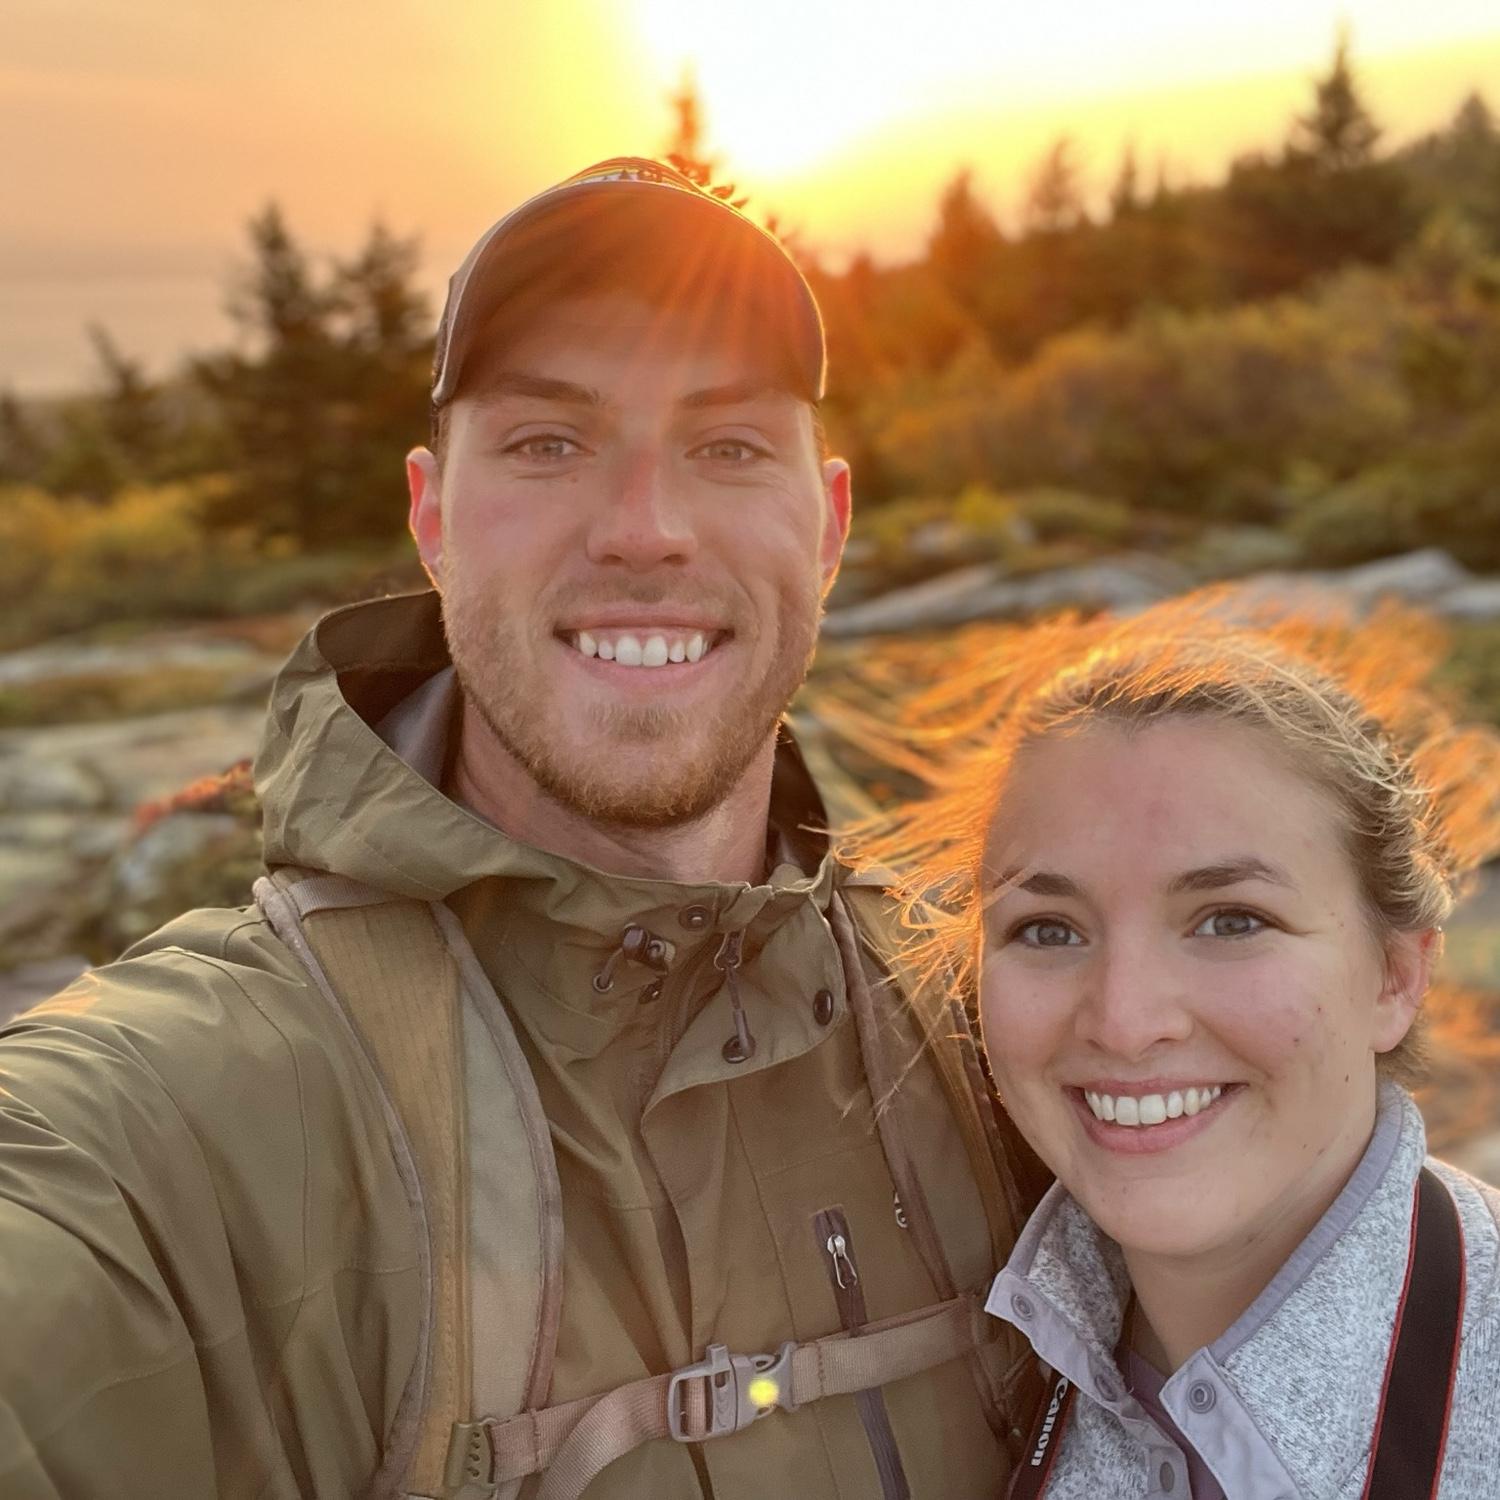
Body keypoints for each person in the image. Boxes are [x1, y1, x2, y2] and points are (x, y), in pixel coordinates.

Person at [0, 159, 1046, 1500]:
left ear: (828, 525)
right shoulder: (193, 1113)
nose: (645, 529)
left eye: (726, 447)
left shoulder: (995, 1031)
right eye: (550, 444)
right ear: (432, 519)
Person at [858, 595, 1500, 1498]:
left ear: (1396, 976)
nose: (1124, 1021)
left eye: (1231, 920)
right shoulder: (970, 1371)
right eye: (1048, 929)